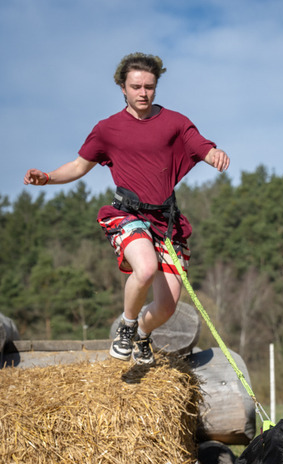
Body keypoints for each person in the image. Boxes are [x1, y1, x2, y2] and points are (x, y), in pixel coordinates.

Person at [24, 52, 229, 365]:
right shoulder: (108, 129)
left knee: (167, 307)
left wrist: (214, 154)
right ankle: (127, 326)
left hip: (165, 221)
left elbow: (200, 145)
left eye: (149, 86)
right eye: (136, 87)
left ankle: (143, 335)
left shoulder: (175, 122)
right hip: (127, 214)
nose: (143, 93)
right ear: (122, 87)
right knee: (144, 268)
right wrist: (48, 177)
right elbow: (78, 166)